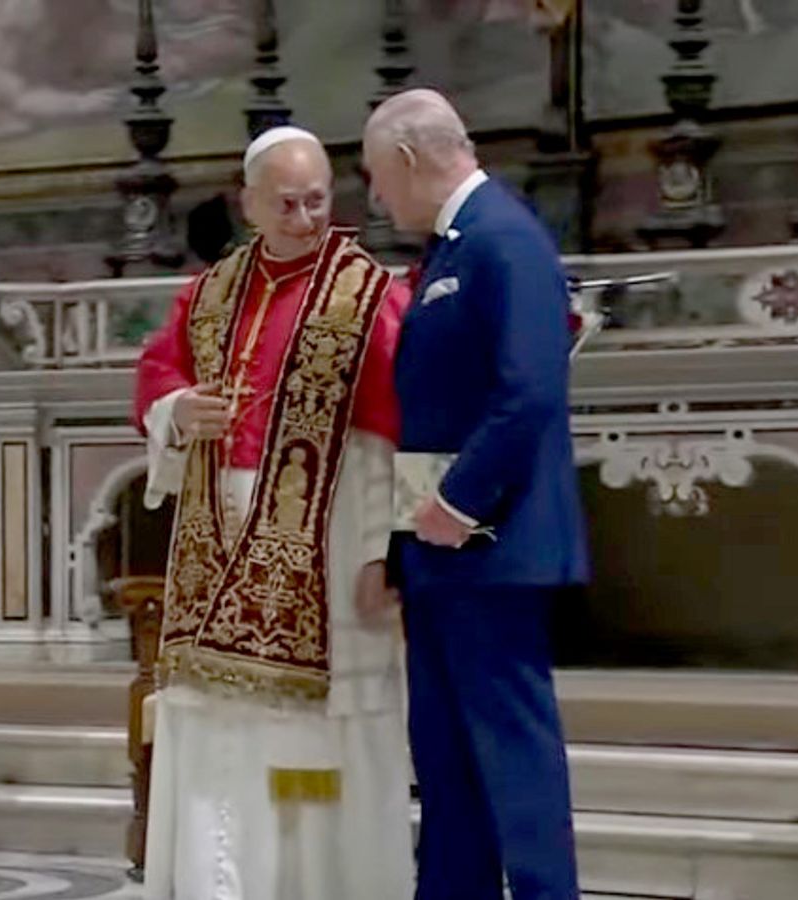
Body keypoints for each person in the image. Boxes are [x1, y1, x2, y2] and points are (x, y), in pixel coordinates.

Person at [133, 125, 414, 900]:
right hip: (216, 542)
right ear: (249, 203)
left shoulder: (371, 297)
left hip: (331, 547)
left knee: (312, 737)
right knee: (219, 723)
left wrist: (393, 550)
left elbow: (416, 424)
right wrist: (178, 409)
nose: (305, 218)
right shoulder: (209, 293)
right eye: (286, 203)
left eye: (317, 200)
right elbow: (158, 371)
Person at [362, 88, 587, 900]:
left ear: (409, 159)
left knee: (513, 755)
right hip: (444, 553)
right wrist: (406, 541)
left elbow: (530, 390)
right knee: (447, 759)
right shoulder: (457, 247)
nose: (376, 198)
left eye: (376, 176)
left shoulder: (503, 240)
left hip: (494, 543)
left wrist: (458, 503)